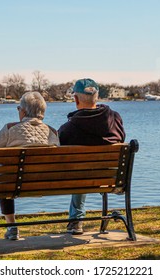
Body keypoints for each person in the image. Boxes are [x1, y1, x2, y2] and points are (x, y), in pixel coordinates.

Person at [0, 91, 59, 240]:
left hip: (11, 183)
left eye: (18, 109)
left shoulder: (11, 129)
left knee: (5, 174)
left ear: (23, 111)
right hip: (43, 183)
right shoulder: (52, 132)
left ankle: (9, 223)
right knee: (8, 173)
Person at [58, 78, 126, 235]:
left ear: (75, 99)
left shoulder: (69, 128)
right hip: (112, 178)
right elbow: (121, 139)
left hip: (80, 180)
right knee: (84, 170)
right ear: (97, 97)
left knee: (80, 172)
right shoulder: (115, 119)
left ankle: (76, 222)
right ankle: (76, 221)